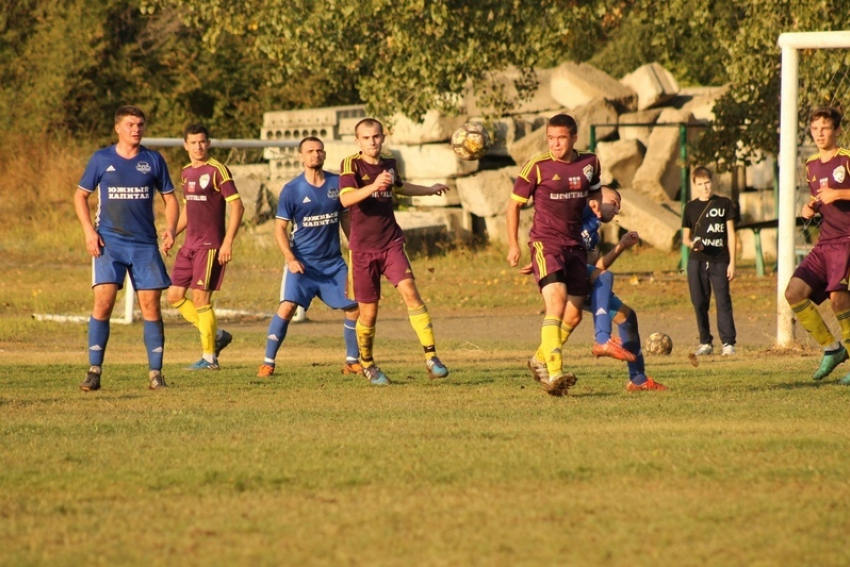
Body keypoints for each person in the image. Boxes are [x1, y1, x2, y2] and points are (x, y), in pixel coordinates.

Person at [74, 105, 179, 391]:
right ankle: (94, 371)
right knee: (104, 302)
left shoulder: (153, 160)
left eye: (140, 125)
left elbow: (170, 198)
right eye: (131, 124)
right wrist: (88, 232)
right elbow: (80, 196)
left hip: (144, 244)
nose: (136, 129)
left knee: (150, 308)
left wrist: (170, 229)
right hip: (110, 242)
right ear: (118, 127)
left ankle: (155, 374)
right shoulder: (101, 159)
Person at [338, 118, 450, 385]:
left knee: (411, 292)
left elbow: (400, 187)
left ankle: (432, 358)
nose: (372, 142)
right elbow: (345, 198)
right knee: (369, 314)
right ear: (358, 141)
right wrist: (373, 186)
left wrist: (429, 190)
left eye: (376, 136)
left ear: (383, 137)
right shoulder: (351, 164)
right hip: (362, 250)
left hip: (391, 243)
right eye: (366, 138)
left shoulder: (389, 162)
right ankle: (367, 364)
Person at [507, 113, 603, 396]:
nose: (555, 143)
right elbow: (513, 206)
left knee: (573, 317)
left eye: (561, 138)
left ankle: (539, 358)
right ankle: (555, 372)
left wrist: (599, 207)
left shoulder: (590, 162)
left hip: (575, 245)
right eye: (551, 138)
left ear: (574, 137)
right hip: (545, 244)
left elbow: (594, 194)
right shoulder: (536, 167)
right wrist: (513, 244)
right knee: (556, 304)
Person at [257, 136, 361, 378]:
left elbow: (346, 219)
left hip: (333, 264)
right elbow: (279, 229)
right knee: (287, 307)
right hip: (302, 264)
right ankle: (268, 363)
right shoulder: (292, 190)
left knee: (355, 307)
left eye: (319, 150)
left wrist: (355, 249)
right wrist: (290, 258)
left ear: (324, 155)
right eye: (310, 151)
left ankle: (352, 361)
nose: (315, 154)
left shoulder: (337, 183)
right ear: (300, 157)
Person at [165, 124, 244, 370]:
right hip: (189, 245)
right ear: (185, 145)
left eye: (202, 142)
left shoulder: (218, 170)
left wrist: (227, 242)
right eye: (193, 142)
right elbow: (189, 208)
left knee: (200, 298)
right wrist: (172, 233)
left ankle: (209, 358)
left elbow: (238, 206)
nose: (198, 146)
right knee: (174, 296)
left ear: (208, 143)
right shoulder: (186, 172)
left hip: (210, 245)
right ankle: (216, 334)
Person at [784, 106, 850, 384]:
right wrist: (809, 207)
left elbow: (836, 194)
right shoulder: (810, 164)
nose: (819, 133)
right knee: (794, 292)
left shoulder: (846, 159)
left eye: (825, 128)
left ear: (836, 130)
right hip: (825, 242)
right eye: (815, 129)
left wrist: (840, 192)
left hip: (847, 240)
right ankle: (832, 349)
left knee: (837, 298)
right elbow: (820, 199)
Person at [582, 187, 668, 391]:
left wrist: (620, 246)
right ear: (597, 196)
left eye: (619, 207)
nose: (617, 210)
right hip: (562, 273)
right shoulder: (577, 208)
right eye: (614, 202)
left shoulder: (593, 233)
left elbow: (597, 268)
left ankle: (638, 379)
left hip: (583, 278)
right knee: (604, 278)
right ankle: (602, 339)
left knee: (628, 318)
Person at [681, 166, 738, 356]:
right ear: (695, 186)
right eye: (700, 184)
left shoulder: (724, 204)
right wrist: (693, 245)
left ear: (712, 182)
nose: (704, 187)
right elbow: (685, 238)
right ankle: (705, 342)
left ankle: (728, 343)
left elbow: (731, 234)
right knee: (699, 302)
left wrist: (733, 263)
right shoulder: (690, 207)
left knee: (723, 301)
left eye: (707, 183)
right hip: (697, 261)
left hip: (720, 260)